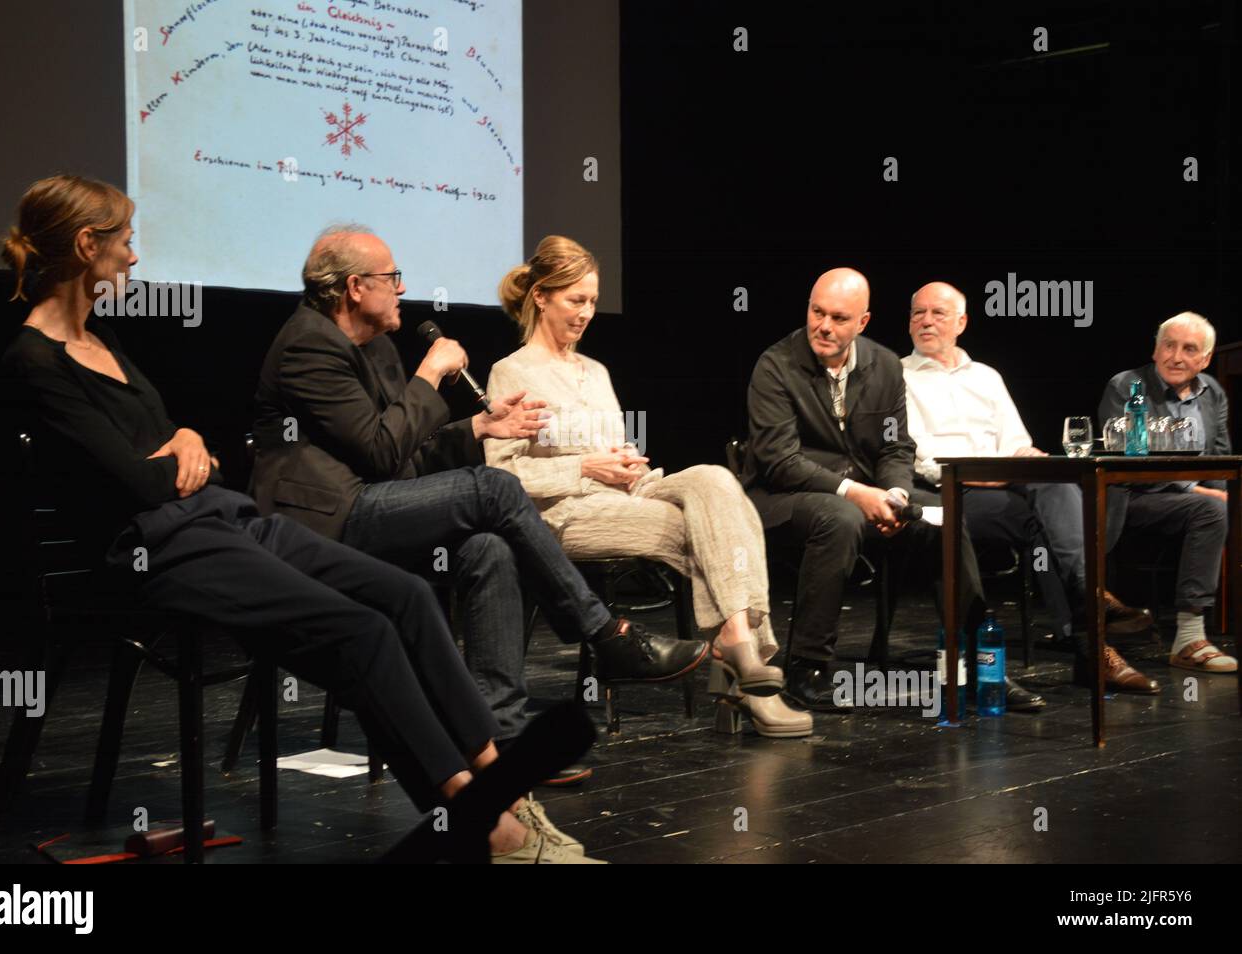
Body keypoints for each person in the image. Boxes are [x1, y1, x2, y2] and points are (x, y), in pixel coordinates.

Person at [0, 175, 598, 863]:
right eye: (126, 243)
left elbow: (186, 447)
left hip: (222, 518)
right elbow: (136, 481)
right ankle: (489, 825)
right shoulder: (34, 361)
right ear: (85, 245)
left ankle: (504, 789)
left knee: (402, 597)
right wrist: (181, 454)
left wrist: (189, 440)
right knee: (362, 630)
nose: (134, 257)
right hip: (157, 547)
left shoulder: (101, 343)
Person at [250, 225, 710, 757]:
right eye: (391, 277)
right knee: (493, 487)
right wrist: (428, 374)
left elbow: (405, 451)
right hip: (324, 524)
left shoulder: (374, 350)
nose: (401, 288)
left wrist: (479, 429)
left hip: (378, 505)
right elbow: (378, 450)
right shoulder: (308, 345)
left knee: (490, 548)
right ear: (355, 287)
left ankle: (500, 735)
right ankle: (604, 634)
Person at [483, 235, 812, 738]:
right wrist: (586, 468)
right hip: (563, 512)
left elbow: (613, 448)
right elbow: (503, 479)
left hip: (627, 492)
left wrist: (625, 465)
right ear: (541, 296)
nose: (587, 312)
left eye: (593, 301)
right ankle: (748, 670)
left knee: (715, 481)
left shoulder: (596, 371)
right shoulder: (511, 372)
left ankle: (736, 646)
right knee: (706, 527)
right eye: (576, 300)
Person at [742, 267, 1045, 713]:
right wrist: (855, 493)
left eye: (839, 318)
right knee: (839, 517)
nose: (824, 326)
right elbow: (780, 461)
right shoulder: (776, 365)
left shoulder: (882, 364)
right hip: (782, 497)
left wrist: (897, 495)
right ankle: (809, 667)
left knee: (942, 515)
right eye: (817, 312)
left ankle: (982, 665)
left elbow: (896, 447)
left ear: (862, 322)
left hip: (865, 492)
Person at [902, 281, 1159, 693]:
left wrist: (1025, 457)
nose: (926, 321)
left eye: (938, 313)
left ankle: (1091, 636)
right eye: (918, 312)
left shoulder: (987, 376)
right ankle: (1094, 632)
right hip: (948, 491)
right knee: (1049, 506)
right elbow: (916, 455)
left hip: (1004, 488)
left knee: (1054, 486)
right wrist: (995, 471)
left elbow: (1016, 441)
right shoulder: (899, 376)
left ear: (961, 323)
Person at [1098, 312, 1238, 674]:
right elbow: (1130, 460)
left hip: (1188, 501)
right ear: (1155, 349)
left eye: (1189, 349)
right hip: (1131, 498)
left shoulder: (1212, 392)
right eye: (1168, 345)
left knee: (1219, 507)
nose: (1176, 357)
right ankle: (1190, 638)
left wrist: (1222, 494)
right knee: (1209, 510)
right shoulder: (1126, 385)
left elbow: (1220, 456)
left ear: (1205, 359)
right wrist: (1203, 493)